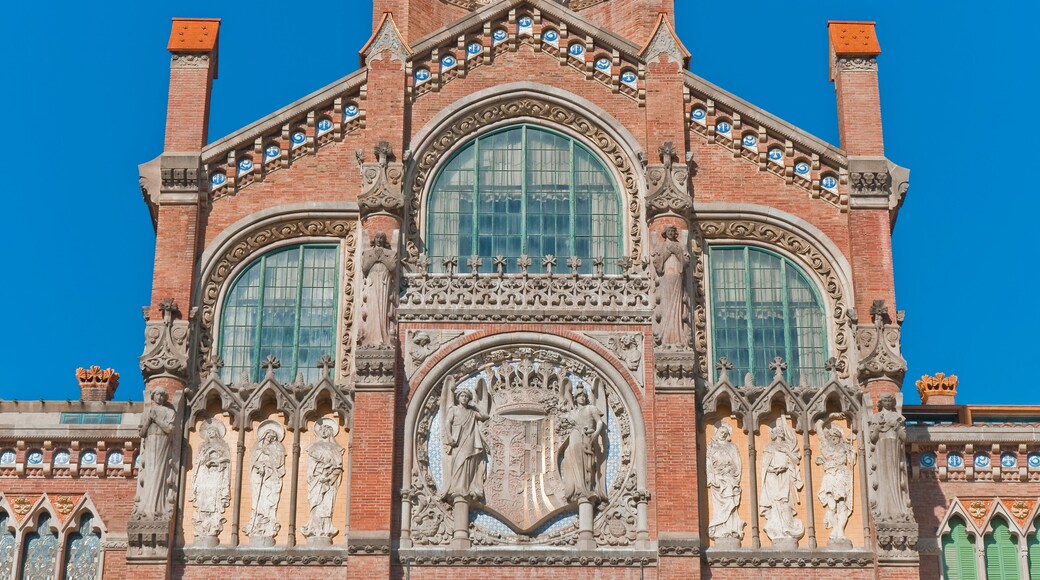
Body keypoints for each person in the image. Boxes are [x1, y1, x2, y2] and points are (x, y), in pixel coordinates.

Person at [441, 381, 490, 502]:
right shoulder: (454, 409)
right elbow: (447, 423)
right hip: (457, 440)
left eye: (466, 396)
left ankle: (467, 486)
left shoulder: (472, 412)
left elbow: (485, 416)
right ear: (458, 398)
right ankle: (457, 488)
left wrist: (475, 405)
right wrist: (449, 437)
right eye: (462, 396)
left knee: (469, 462)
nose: (464, 398)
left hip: (470, 439)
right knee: (457, 463)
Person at [558, 383, 607, 503]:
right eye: (580, 396)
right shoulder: (573, 412)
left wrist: (595, 434)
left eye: (584, 395)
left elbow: (599, 422)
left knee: (587, 465)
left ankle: (587, 489)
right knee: (573, 463)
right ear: (575, 398)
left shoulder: (591, 408)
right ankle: (577, 490)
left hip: (586, 438)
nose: (582, 398)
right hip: (573, 439)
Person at [759, 418, 804, 544]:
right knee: (775, 503)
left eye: (781, 434)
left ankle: (786, 528)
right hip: (772, 477)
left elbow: (795, 460)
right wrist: (774, 470)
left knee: (785, 502)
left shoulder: (787, 447)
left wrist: (787, 452)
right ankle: (777, 529)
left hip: (785, 477)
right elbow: (765, 466)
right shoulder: (769, 447)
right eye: (779, 434)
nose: (780, 436)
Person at [133, 389, 176, 520]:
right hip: (150, 440)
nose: (159, 397)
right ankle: (146, 507)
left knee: (159, 472)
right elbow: (142, 433)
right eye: (157, 394)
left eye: (162, 395)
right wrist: (149, 420)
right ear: (153, 396)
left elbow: (170, 429)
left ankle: (157, 507)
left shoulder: (170, 412)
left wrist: (156, 419)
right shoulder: (147, 411)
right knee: (150, 473)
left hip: (163, 442)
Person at [651, 225, 690, 347]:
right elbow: (657, 262)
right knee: (666, 306)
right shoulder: (661, 245)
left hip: (677, 277)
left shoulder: (681, 245)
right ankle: (666, 336)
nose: (671, 233)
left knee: (677, 307)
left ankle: (678, 337)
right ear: (665, 233)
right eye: (669, 231)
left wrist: (678, 253)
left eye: (673, 231)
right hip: (665, 278)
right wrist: (668, 252)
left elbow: (686, 261)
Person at [357, 232, 397, 346]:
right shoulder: (368, 253)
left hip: (384, 285)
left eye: (382, 238)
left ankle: (384, 337)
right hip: (372, 283)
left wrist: (382, 257)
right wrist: (375, 257)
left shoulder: (390, 253)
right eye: (377, 237)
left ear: (385, 240)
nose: (379, 240)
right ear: (374, 239)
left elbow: (392, 267)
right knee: (372, 309)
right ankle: (371, 337)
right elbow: (365, 268)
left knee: (382, 309)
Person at [707, 423, 744, 542]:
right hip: (718, 480)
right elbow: (709, 464)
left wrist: (730, 470)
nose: (722, 434)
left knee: (730, 501)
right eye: (720, 432)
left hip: (729, 478)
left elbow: (737, 464)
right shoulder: (712, 447)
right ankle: (720, 528)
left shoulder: (732, 447)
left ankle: (731, 528)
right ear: (716, 433)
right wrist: (711, 477)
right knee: (719, 506)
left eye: (725, 433)